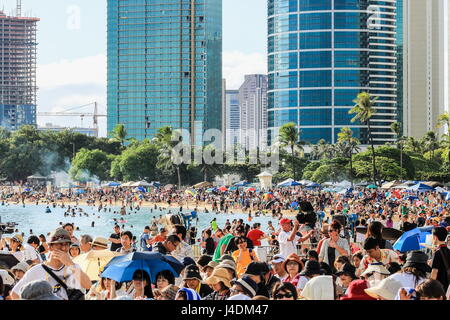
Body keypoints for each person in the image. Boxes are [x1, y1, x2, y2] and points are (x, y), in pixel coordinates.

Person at [11, 228, 92, 300]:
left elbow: (88, 285)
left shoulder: (72, 267)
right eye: (59, 244)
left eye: (67, 244)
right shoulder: (37, 270)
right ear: (50, 247)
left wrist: (70, 263)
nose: (64, 248)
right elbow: (14, 294)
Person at [430, 227, 450, 291]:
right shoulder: (448, 250)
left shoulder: (437, 253)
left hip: (439, 287)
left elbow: (434, 273)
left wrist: (430, 287)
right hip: (448, 285)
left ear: (435, 237)